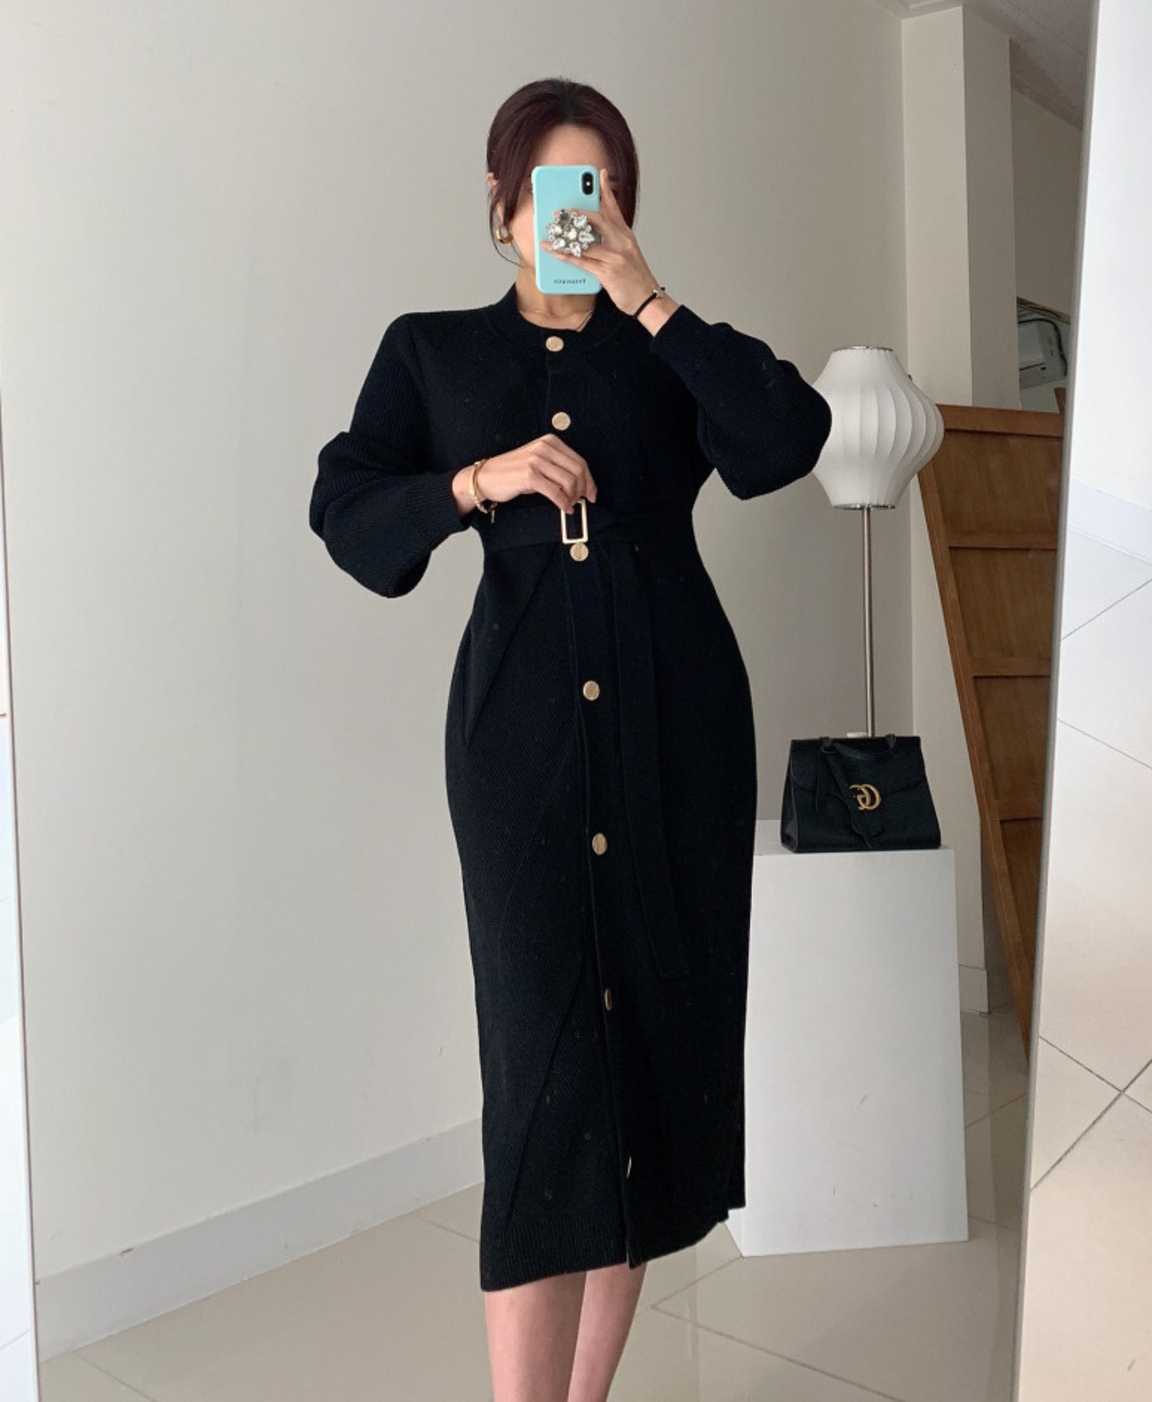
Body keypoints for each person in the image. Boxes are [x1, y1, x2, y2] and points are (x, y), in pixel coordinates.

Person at [308, 76, 833, 1402]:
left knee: (650, 1069)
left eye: (598, 192)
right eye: (549, 190)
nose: (571, 216)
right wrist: (477, 480)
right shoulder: (433, 353)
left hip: (677, 735)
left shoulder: (664, 348)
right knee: (542, 1089)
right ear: (501, 206)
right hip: (521, 748)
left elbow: (788, 436)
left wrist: (647, 297)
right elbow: (348, 512)